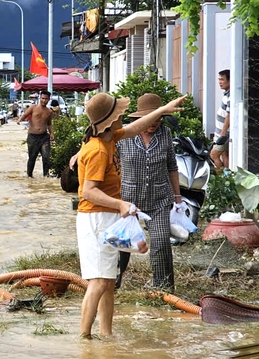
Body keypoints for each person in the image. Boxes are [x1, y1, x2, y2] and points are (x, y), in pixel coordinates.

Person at [75, 92, 185, 339]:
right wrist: (121, 204)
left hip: (108, 216)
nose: (123, 117)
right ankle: (84, 339)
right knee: (99, 282)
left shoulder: (110, 138)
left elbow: (136, 127)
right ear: (110, 120)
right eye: (119, 114)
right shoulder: (98, 151)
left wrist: (163, 108)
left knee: (109, 282)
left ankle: (107, 335)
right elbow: (87, 192)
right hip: (95, 218)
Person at [116, 93, 181, 291]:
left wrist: (177, 197)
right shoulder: (124, 135)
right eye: (149, 118)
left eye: (158, 118)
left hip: (159, 198)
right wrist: (80, 153)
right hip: (128, 199)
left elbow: (172, 165)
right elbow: (102, 149)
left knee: (161, 243)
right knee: (122, 246)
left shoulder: (165, 134)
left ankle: (163, 289)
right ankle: (112, 282)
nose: (153, 123)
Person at [21, 90, 55, 177]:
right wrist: (19, 120)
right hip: (33, 137)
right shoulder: (33, 107)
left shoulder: (49, 112)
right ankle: (29, 176)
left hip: (44, 137)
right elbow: (24, 115)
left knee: (46, 157)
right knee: (32, 158)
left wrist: (52, 133)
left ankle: (46, 176)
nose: (44, 100)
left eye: (46, 99)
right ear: (40, 98)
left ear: (49, 99)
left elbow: (49, 124)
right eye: (42, 98)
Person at [211, 69, 230, 170]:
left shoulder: (231, 96)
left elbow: (229, 115)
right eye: (219, 79)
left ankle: (222, 176)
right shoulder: (226, 94)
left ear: (230, 81)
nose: (220, 82)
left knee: (214, 154)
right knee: (224, 154)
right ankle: (227, 176)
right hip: (220, 132)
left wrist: (223, 131)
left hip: (223, 133)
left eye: (222, 79)